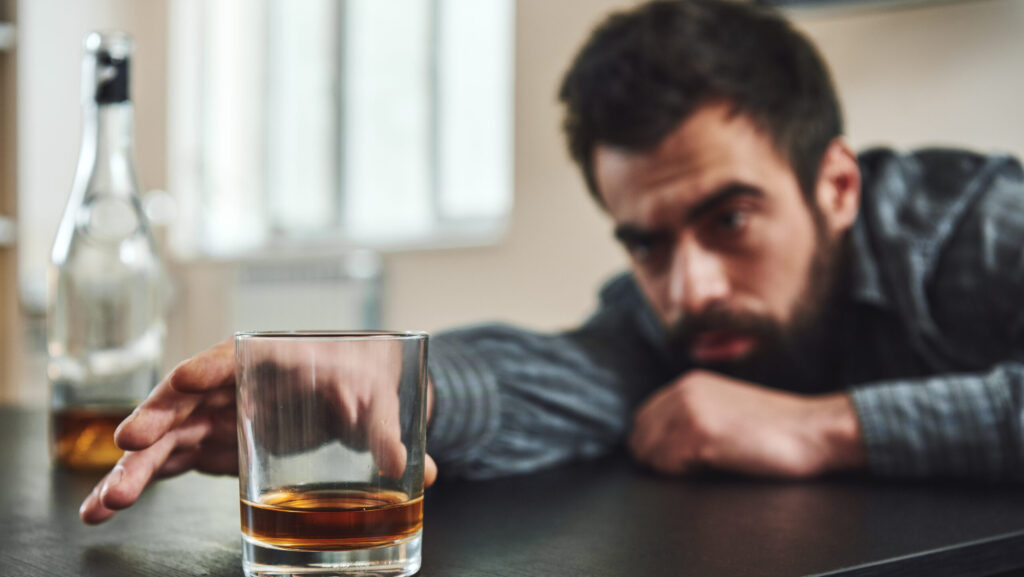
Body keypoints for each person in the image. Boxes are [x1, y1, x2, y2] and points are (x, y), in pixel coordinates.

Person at [80, 0, 1024, 524]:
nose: (688, 288)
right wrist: (396, 382)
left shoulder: (982, 227)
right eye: (646, 242)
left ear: (839, 187)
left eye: (731, 218)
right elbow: (556, 372)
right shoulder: (662, 325)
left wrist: (826, 429)